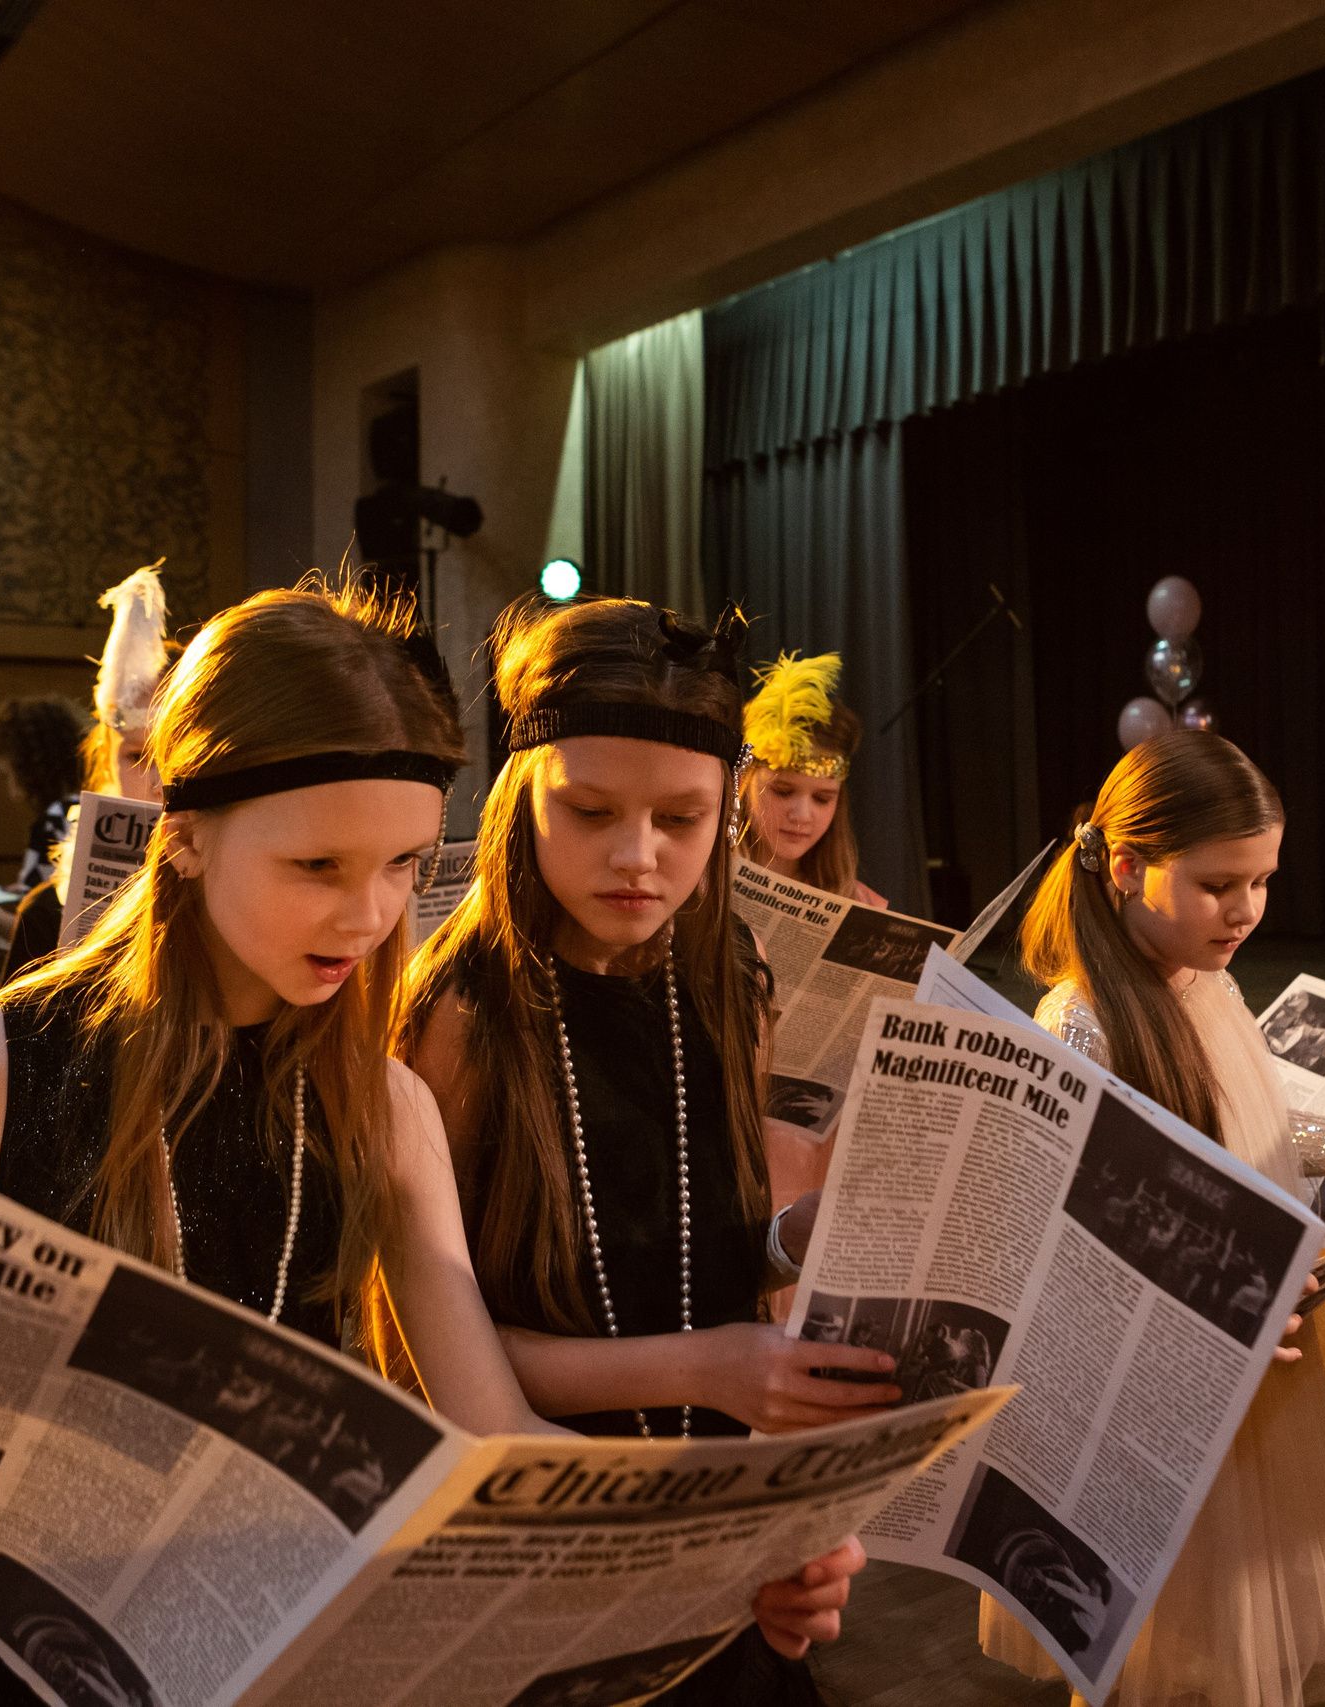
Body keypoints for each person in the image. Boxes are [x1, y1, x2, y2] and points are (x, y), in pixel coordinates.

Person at [0, 582, 866, 1702]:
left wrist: (746, 1553)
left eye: (397, 866)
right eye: (316, 864)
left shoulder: (386, 1107)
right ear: (184, 830)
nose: (367, 914)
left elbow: (505, 1449)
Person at [399, 596, 901, 1707]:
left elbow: (697, 1250)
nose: (638, 858)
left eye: (681, 819)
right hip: (545, 1543)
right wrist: (711, 1365)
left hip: (721, 1523)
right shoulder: (461, 1015)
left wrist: (791, 1244)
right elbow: (437, 1358)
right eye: (589, 811)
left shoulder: (728, 978)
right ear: (518, 799)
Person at [980, 730, 1325, 1707]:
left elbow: (1254, 1124)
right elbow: (1079, 1230)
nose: (1248, 911)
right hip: (1156, 1368)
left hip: (1253, 1343)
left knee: (1236, 1616)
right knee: (1163, 1615)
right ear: (1129, 870)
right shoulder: (1079, 1018)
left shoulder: (1204, 980)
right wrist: (1213, 1296)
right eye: (1221, 884)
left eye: (1262, 882)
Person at [2, 564, 171, 981]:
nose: (159, 782)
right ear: (109, 758)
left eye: (177, 757)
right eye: (138, 758)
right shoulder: (48, 912)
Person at [734, 651, 888, 907]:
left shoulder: (858, 902)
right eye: (782, 791)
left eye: (822, 798)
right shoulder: (699, 884)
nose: (802, 816)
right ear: (743, 784)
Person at [0, 696, 89, 894]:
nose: (12, 793)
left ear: (29, 769)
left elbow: (39, 922)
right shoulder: (91, 806)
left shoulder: (56, 819)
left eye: (6, 776)